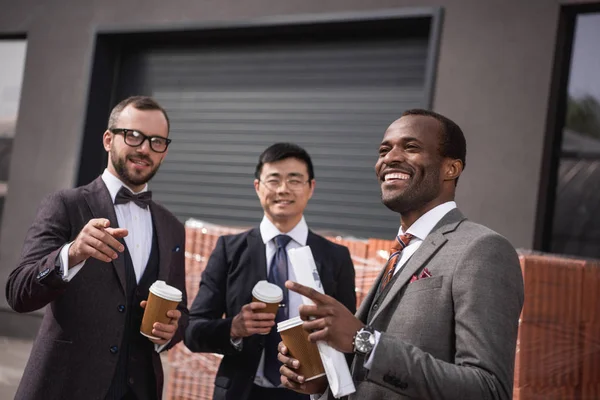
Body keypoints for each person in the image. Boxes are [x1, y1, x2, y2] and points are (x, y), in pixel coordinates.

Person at [278, 109, 525, 400]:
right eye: (384, 150)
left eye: (411, 147)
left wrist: (363, 340)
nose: (390, 158)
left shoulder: (481, 249)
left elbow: (488, 390)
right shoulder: (402, 251)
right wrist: (325, 383)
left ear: (451, 169)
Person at [6, 96, 188, 400]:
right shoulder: (66, 205)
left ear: (164, 152)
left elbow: (181, 311)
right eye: (133, 136)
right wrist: (72, 253)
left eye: (156, 141)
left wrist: (170, 332)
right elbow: (18, 293)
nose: (144, 148)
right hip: (66, 387)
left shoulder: (172, 227)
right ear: (108, 139)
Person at [184, 142, 357, 400]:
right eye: (273, 180)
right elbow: (193, 331)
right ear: (258, 187)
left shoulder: (335, 257)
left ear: (311, 188)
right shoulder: (229, 250)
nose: (283, 189)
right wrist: (235, 328)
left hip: (311, 393)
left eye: (294, 180)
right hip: (242, 391)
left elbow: (348, 335)